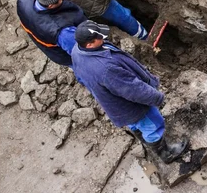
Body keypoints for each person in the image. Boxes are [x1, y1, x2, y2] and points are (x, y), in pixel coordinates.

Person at [71, 20, 188, 164]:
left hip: (117, 106)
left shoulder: (77, 50)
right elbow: (133, 89)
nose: (104, 38)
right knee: (153, 124)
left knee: (135, 124)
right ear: (89, 44)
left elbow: (82, 76)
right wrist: (157, 97)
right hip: (132, 106)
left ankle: (144, 138)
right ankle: (165, 153)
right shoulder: (106, 68)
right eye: (99, 38)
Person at [17, 0, 87, 66]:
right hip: (68, 56)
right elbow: (82, 52)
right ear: (50, 6)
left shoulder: (23, 1)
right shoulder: (62, 32)